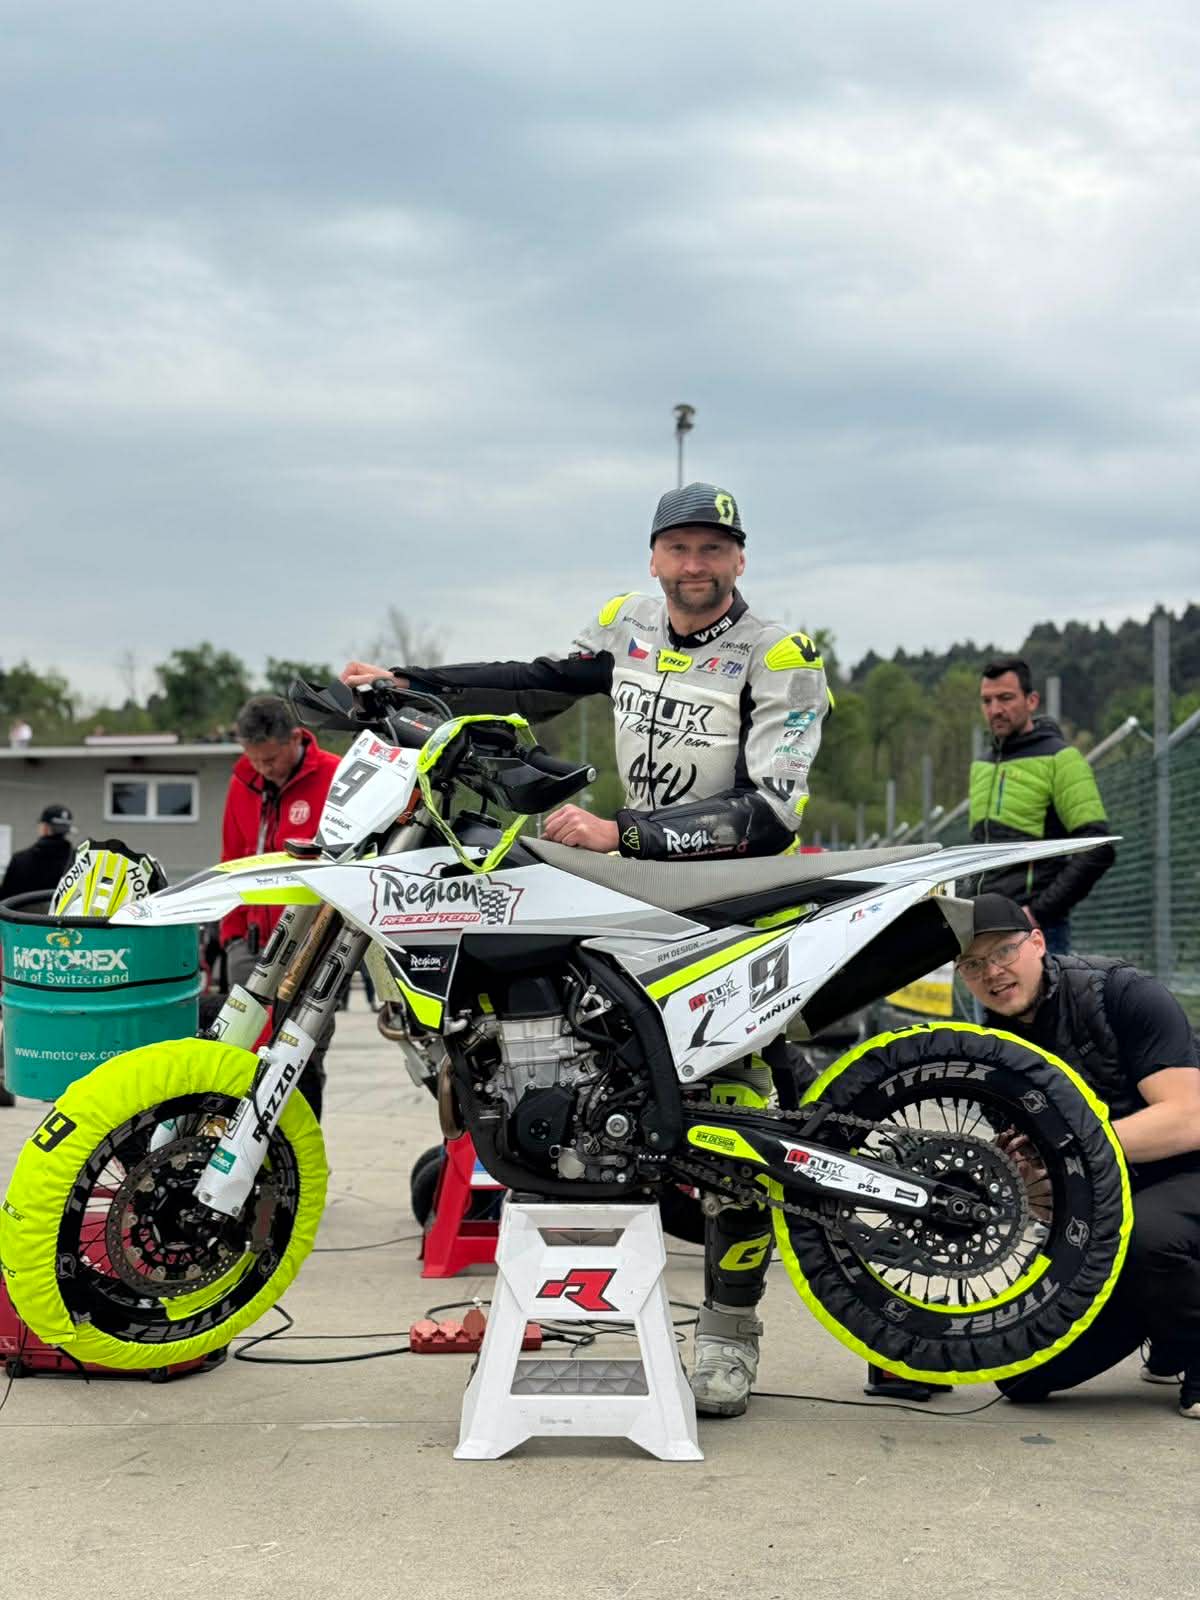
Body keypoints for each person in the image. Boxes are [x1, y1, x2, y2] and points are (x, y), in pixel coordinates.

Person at [342, 480, 832, 1419]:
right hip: (632, 893)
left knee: (732, 1112)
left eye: (713, 549)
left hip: (732, 901)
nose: (695, 566)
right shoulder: (625, 624)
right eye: (679, 548)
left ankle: (730, 1332)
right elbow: (534, 682)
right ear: (654, 557)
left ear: (739, 559)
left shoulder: (780, 655)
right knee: (593, 1077)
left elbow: (774, 811)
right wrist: (405, 684)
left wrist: (623, 833)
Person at [954, 892, 1200, 1417]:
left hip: (1187, 1177)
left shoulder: (1120, 992)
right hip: (1114, 1207)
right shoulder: (994, 1058)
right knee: (1021, 1374)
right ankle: (1169, 1325)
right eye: (972, 965)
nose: (992, 972)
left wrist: (1070, 1149)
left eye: (1003, 952)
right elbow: (1049, 1195)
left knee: (1144, 1236)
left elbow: (1189, 1118)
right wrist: (1030, 1185)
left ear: (1037, 942)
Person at [220, 696, 340, 1119]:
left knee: (300, 1054)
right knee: (241, 1051)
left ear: (294, 739)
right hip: (252, 944)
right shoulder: (243, 781)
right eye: (254, 759)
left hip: (312, 948)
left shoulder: (335, 777)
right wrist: (232, 936)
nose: (262, 768)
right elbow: (232, 856)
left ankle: (301, 1145)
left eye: (270, 759)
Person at [968, 657, 1115, 954]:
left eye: (1005, 698)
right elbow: (977, 855)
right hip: (981, 929)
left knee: (1047, 990)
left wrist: (1037, 913)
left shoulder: (1062, 759)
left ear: (1032, 700)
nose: (995, 709)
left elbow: (1098, 848)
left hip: (1037, 933)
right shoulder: (981, 766)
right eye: (987, 701)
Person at [0, 804, 76, 1106]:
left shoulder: (21, 861)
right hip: (71, 954)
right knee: (68, 1015)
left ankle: (6, 1080)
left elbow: (5, 906)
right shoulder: (79, 863)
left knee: (17, 1012)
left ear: (43, 827)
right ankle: (63, 1082)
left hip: (25, 953)